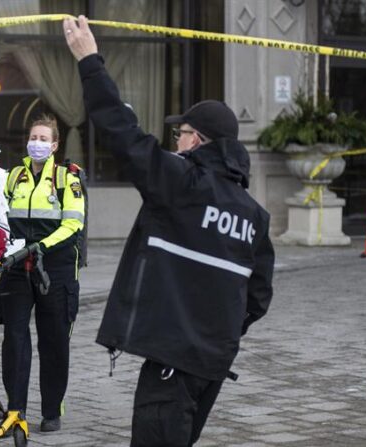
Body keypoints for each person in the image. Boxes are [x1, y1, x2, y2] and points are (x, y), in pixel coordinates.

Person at [63, 16, 275, 447]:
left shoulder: (181, 183)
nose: (174, 142)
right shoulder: (253, 214)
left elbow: (122, 135)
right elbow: (258, 296)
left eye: (179, 134)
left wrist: (89, 61)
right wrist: (214, 330)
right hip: (209, 365)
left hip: (172, 364)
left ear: (196, 140)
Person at [0, 114, 86, 432]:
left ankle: (51, 410)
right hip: (18, 268)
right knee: (15, 339)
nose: (37, 143)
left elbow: (73, 224)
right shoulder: (14, 177)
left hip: (56, 269)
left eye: (43, 139)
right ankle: (15, 410)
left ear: (55, 145)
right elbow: (1, 216)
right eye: (33, 138)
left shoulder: (67, 180)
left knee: (54, 342)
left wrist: (41, 247)